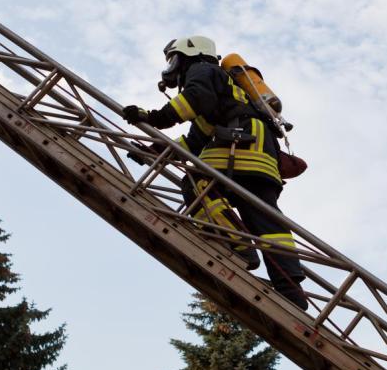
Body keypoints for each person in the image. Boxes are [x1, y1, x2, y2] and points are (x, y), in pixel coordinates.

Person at [122, 36, 308, 311]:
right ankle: (290, 286)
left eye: (174, 58)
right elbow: (194, 143)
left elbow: (192, 100)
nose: (173, 66)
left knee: (196, 184)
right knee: (266, 218)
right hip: (260, 153)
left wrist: (151, 117)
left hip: (238, 146)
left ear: (190, 53)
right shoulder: (225, 94)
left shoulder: (203, 70)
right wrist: (151, 152)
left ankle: (236, 243)